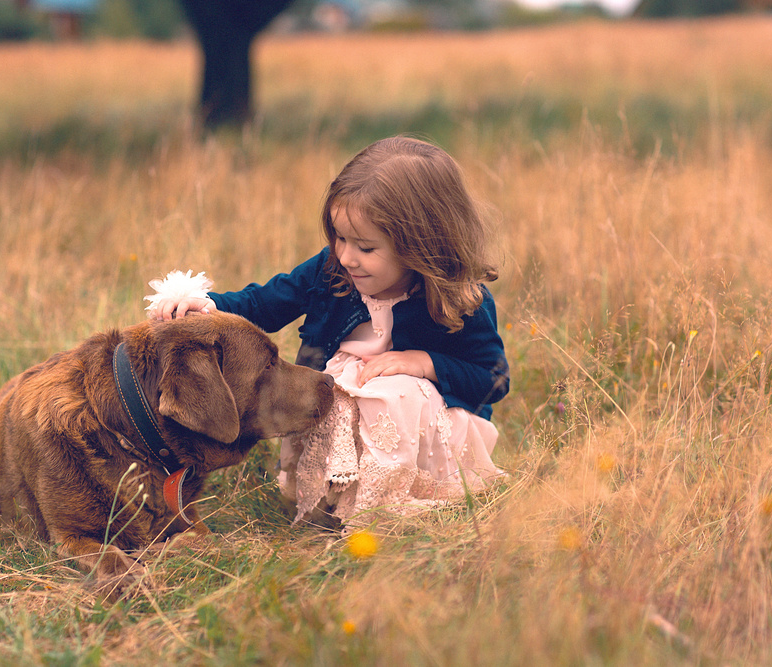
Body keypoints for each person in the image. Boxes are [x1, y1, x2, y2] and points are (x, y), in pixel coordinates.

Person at [146, 136, 510, 525]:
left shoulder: (458, 298)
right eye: (339, 237)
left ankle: (387, 506)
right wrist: (210, 306)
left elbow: (493, 378)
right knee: (323, 391)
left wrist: (423, 362)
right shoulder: (331, 270)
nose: (347, 256)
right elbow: (265, 304)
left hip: (417, 427)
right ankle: (330, 502)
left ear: (421, 245)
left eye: (366, 248)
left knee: (396, 389)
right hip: (341, 402)